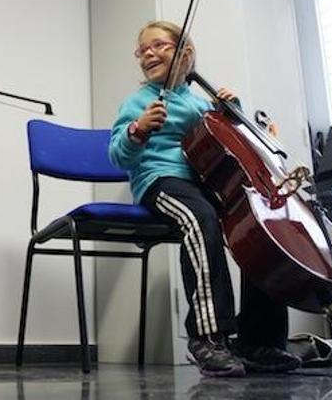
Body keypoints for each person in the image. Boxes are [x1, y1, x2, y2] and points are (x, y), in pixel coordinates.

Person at [108, 21, 301, 376]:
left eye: (159, 46)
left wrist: (232, 111)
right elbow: (117, 156)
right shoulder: (138, 102)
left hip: (203, 186)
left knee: (258, 229)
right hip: (160, 183)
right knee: (200, 218)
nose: (149, 53)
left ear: (185, 54)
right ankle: (208, 337)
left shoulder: (198, 104)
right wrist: (137, 129)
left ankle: (259, 341)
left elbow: (229, 143)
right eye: (143, 50)